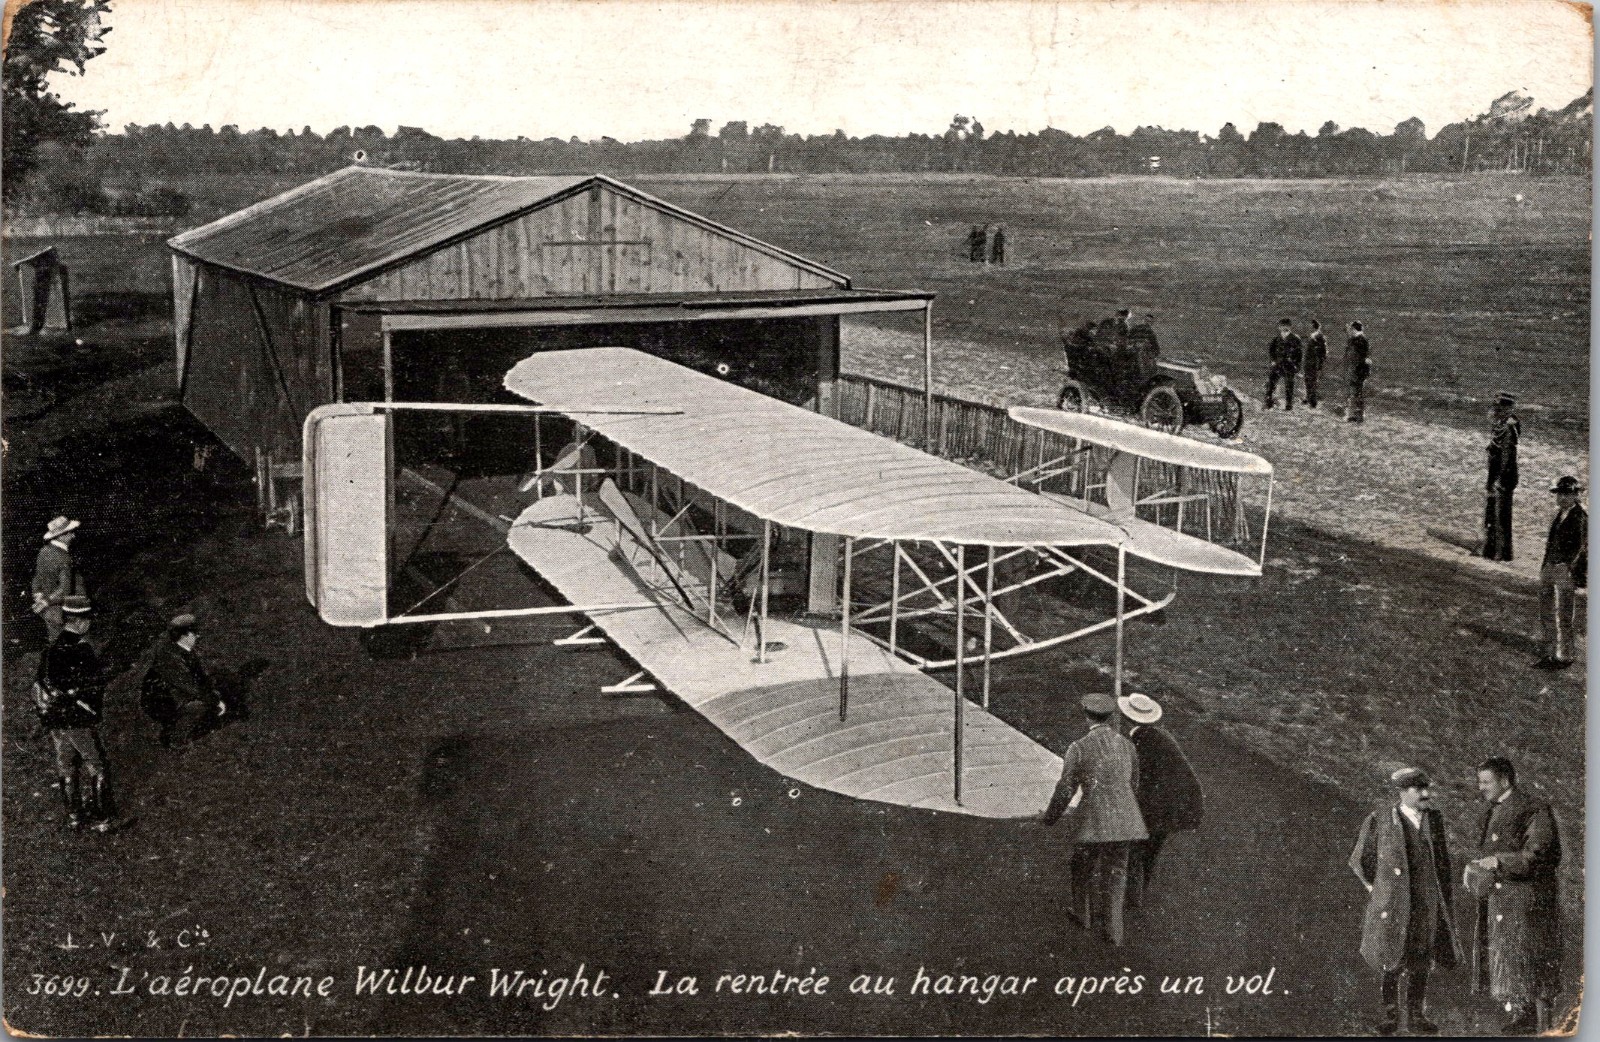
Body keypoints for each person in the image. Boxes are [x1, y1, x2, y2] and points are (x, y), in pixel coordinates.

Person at [1348, 767, 1461, 1035]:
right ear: (1403, 792)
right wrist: (1379, 890)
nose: (1425, 794)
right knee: (1392, 957)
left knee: (1421, 959)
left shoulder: (1434, 820)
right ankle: (1390, 1017)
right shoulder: (1381, 819)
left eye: (1426, 789)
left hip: (1426, 903)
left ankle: (1416, 1016)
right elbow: (1360, 859)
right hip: (1395, 905)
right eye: (1418, 789)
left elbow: (1442, 863)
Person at [1039, 693, 1147, 946]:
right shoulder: (1127, 745)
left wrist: (1050, 817)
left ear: (1086, 715)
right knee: (1117, 872)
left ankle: (1082, 914)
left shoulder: (1077, 748)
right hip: (1126, 818)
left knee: (1082, 866)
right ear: (1110, 716)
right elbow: (1134, 783)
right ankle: (1115, 931)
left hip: (1094, 819)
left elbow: (1066, 788)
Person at [1467, 757, 1562, 1035]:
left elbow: (1541, 854)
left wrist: (1499, 861)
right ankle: (1522, 1013)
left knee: (1528, 961)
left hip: (1526, 902)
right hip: (1502, 901)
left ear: (1505, 780)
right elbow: (1488, 854)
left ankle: (1535, 1019)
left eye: (1486, 782)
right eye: (1479, 782)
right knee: (1508, 960)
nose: (1480, 788)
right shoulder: (1493, 810)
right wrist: (1475, 868)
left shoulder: (1533, 808)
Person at [33, 596, 115, 831]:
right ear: (80, 621)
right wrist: (88, 705)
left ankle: (74, 817)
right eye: (87, 619)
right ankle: (103, 819)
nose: (89, 623)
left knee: (66, 766)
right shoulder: (82, 649)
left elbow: (44, 684)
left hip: (54, 719)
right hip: (76, 718)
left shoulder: (51, 649)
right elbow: (94, 684)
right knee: (96, 764)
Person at [1117, 693, 1202, 907]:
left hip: (1159, 806)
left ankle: (1131, 897)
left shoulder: (1140, 742)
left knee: (1136, 849)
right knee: (1151, 850)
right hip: (1177, 803)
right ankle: (1138, 891)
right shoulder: (1160, 736)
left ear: (1128, 717)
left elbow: (1140, 781)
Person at [139, 613, 227, 748]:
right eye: (194, 633)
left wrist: (212, 693)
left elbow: (199, 677)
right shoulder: (170, 659)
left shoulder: (181, 648)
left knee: (210, 695)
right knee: (198, 706)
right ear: (184, 635)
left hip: (173, 691)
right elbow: (190, 686)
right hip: (160, 701)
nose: (197, 636)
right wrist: (214, 700)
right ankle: (176, 738)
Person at [1536, 476, 1586, 668]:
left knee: (1563, 615)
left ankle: (1564, 656)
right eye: (1560, 494)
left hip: (1565, 571)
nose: (1562, 498)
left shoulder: (1580, 518)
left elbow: (1581, 549)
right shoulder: (1559, 515)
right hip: (1550, 567)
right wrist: (1546, 565)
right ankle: (1550, 652)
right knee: (1547, 611)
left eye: (1567, 494)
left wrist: (1568, 568)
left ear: (1575, 496)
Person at [31, 515, 86, 641]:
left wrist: (37, 594)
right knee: (77, 646)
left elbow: (36, 577)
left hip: (49, 613)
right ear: (62, 536)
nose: (73, 536)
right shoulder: (64, 558)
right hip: (66, 611)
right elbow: (65, 589)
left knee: (56, 645)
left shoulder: (43, 552)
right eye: (70, 533)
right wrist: (47, 601)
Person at [1482, 393, 1520, 561]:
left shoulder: (1509, 428)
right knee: (1492, 513)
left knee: (1500, 516)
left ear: (1509, 409)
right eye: (1497, 408)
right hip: (1495, 474)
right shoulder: (1500, 425)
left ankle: (1501, 552)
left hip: (1503, 477)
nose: (1498, 411)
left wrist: (1499, 479)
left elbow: (1507, 456)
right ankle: (1490, 549)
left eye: (1502, 408)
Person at [1262, 318, 1303, 410]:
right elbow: (1271, 350)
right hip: (1278, 365)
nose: (1283, 329)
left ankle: (1289, 405)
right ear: (1279, 327)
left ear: (1289, 327)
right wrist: (1272, 360)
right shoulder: (1277, 339)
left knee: (1289, 386)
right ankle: (1268, 403)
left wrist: (1296, 366)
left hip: (1289, 366)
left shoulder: (1295, 339)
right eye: (1281, 326)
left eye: (1285, 327)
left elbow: (1299, 354)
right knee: (1271, 383)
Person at [1345, 321, 1372, 422]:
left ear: (1354, 329)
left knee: (1356, 392)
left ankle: (1356, 415)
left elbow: (1355, 356)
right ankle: (1356, 415)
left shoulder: (1357, 340)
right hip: (1359, 370)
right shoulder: (1362, 339)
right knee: (1357, 392)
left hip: (1357, 370)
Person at [1127, 313, 1162, 387]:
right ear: (1143, 320)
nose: (1147, 323)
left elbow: (1127, 340)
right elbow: (1156, 349)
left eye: (1149, 321)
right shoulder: (1149, 332)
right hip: (1139, 358)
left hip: (1132, 357)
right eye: (1147, 321)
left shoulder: (1135, 329)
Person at [1304, 319, 1329, 408]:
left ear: (1314, 326)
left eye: (1311, 326)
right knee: (1307, 379)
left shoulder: (1320, 337)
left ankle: (1313, 401)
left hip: (1315, 362)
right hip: (1308, 361)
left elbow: (1324, 352)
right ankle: (1308, 397)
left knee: (1313, 381)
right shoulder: (1311, 336)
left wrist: (1320, 363)